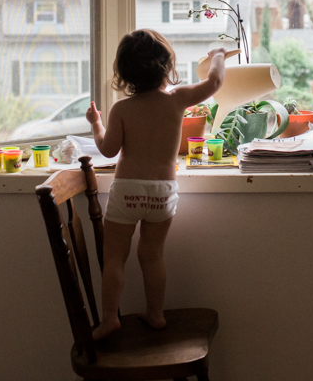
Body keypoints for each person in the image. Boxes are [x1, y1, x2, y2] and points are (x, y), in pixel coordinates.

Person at [86, 29, 227, 340]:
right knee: (152, 256)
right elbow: (215, 83)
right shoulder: (177, 100)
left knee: (114, 259)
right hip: (162, 194)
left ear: (124, 74)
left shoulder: (121, 109)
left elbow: (108, 150)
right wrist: (217, 54)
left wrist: (96, 123)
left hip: (126, 192)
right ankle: (156, 313)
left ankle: (109, 319)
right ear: (166, 66)